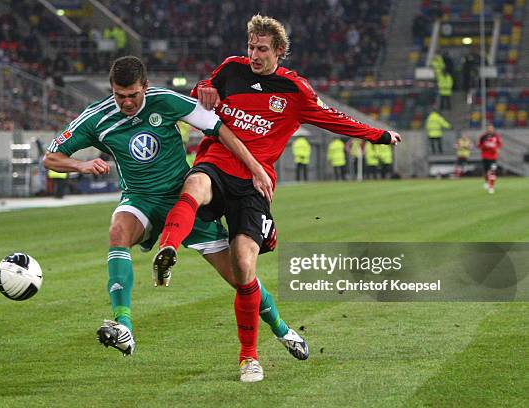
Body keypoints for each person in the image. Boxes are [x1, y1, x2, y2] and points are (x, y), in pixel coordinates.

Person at [153, 15, 401, 382]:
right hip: (217, 161)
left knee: (243, 266)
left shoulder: (295, 91)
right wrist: (204, 86)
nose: (253, 54)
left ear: (279, 52)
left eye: (262, 49)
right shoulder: (230, 69)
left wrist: (378, 135)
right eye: (251, 46)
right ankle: (168, 249)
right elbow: (200, 94)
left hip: (255, 183)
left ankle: (250, 356)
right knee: (195, 185)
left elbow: (333, 119)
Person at [42, 56, 303, 361]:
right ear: (111, 90)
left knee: (240, 277)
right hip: (139, 199)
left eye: (133, 96)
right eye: (119, 96)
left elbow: (219, 129)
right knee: (118, 232)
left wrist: (255, 168)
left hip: (184, 201)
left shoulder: (165, 101)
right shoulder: (96, 117)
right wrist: (81, 164)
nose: (126, 103)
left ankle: (281, 328)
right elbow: (51, 157)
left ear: (146, 87)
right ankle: (123, 324)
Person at [477, 124, 502, 193]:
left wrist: (497, 148)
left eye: (491, 128)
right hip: (485, 156)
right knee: (486, 172)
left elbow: (499, 144)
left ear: (493, 129)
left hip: (493, 157)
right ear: (487, 129)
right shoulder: (483, 136)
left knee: (493, 171)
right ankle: (486, 182)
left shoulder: (496, 136)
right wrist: (486, 146)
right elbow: (479, 146)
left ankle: (491, 187)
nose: (490, 129)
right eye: (489, 128)